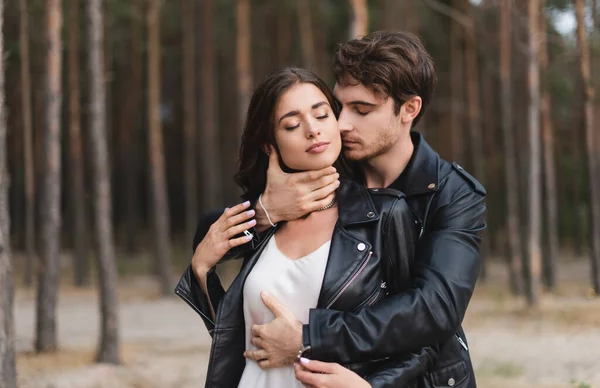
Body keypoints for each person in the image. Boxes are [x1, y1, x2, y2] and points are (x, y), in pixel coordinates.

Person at [242, 31, 487, 388]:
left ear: (409, 109)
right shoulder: (329, 167)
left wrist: (311, 337)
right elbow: (223, 227)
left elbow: (435, 308)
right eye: (339, 106)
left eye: (362, 110)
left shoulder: (454, 193)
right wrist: (265, 210)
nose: (341, 124)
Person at [175, 67, 434, 387]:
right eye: (293, 125)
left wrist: (370, 386)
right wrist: (201, 270)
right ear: (270, 144)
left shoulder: (385, 216)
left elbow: (421, 338)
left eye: (322, 115)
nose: (313, 130)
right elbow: (233, 339)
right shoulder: (261, 226)